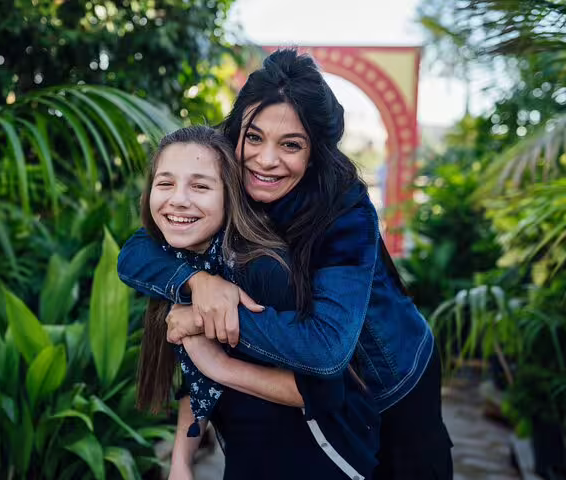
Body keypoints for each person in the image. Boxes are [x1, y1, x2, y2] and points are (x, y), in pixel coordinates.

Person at [118, 50, 453, 480]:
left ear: (315, 152)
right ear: (237, 130)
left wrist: (207, 322)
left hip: (392, 378)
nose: (266, 160)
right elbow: (137, 252)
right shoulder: (225, 166)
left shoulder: (344, 210)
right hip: (320, 406)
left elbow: (326, 348)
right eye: (254, 138)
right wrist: (196, 282)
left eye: (290, 145)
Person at [132, 125, 380, 480]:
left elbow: (323, 393)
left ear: (229, 196)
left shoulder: (262, 269)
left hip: (322, 462)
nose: (179, 199)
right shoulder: (182, 266)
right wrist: (181, 461)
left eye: (200, 186)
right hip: (248, 459)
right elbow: (195, 370)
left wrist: (219, 365)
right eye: (165, 183)